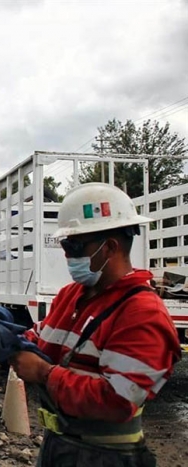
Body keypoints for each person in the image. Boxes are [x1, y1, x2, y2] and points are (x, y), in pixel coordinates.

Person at [9, 182, 181, 467]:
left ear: (110, 247)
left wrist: (44, 373)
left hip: (107, 457)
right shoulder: (71, 295)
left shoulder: (142, 314)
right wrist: (2, 337)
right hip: (58, 448)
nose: (66, 254)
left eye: (74, 245)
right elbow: (36, 340)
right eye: (65, 245)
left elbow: (116, 400)